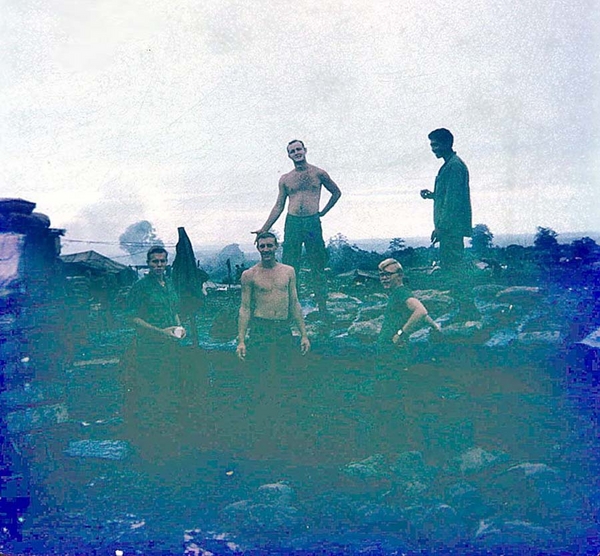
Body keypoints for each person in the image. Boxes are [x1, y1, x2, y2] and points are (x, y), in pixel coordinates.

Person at [253, 140, 342, 316]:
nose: (296, 153)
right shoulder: (286, 179)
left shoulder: (319, 173)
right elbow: (279, 205)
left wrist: (322, 212)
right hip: (292, 222)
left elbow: (336, 192)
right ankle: (290, 309)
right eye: (292, 151)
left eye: (299, 149)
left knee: (317, 266)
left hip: (311, 223)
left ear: (305, 150)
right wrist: (264, 228)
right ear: (289, 155)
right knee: (289, 267)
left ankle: (323, 309)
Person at [124, 246, 189, 458]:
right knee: (151, 388)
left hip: (170, 346)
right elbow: (133, 318)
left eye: (162, 261)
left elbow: (174, 310)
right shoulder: (141, 287)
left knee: (170, 385)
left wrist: (179, 327)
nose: (159, 265)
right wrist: (160, 332)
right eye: (155, 262)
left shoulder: (169, 284)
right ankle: (150, 438)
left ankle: (170, 431)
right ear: (148, 263)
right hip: (149, 346)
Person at [236, 232, 310, 367]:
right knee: (260, 373)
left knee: (286, 371)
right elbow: (245, 308)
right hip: (260, 330)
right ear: (258, 248)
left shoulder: (288, 271)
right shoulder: (249, 275)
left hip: (282, 328)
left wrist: (303, 335)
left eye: (269, 245)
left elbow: (294, 303)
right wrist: (241, 340)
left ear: (276, 246)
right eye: (262, 246)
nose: (265, 249)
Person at [420, 128, 472, 270]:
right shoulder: (449, 165)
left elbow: (452, 202)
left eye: (436, 145)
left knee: (453, 266)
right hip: (449, 227)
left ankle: (457, 292)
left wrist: (440, 228)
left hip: (451, 227)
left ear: (447, 144)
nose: (433, 149)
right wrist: (433, 195)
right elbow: (448, 195)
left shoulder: (454, 166)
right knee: (448, 264)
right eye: (431, 145)